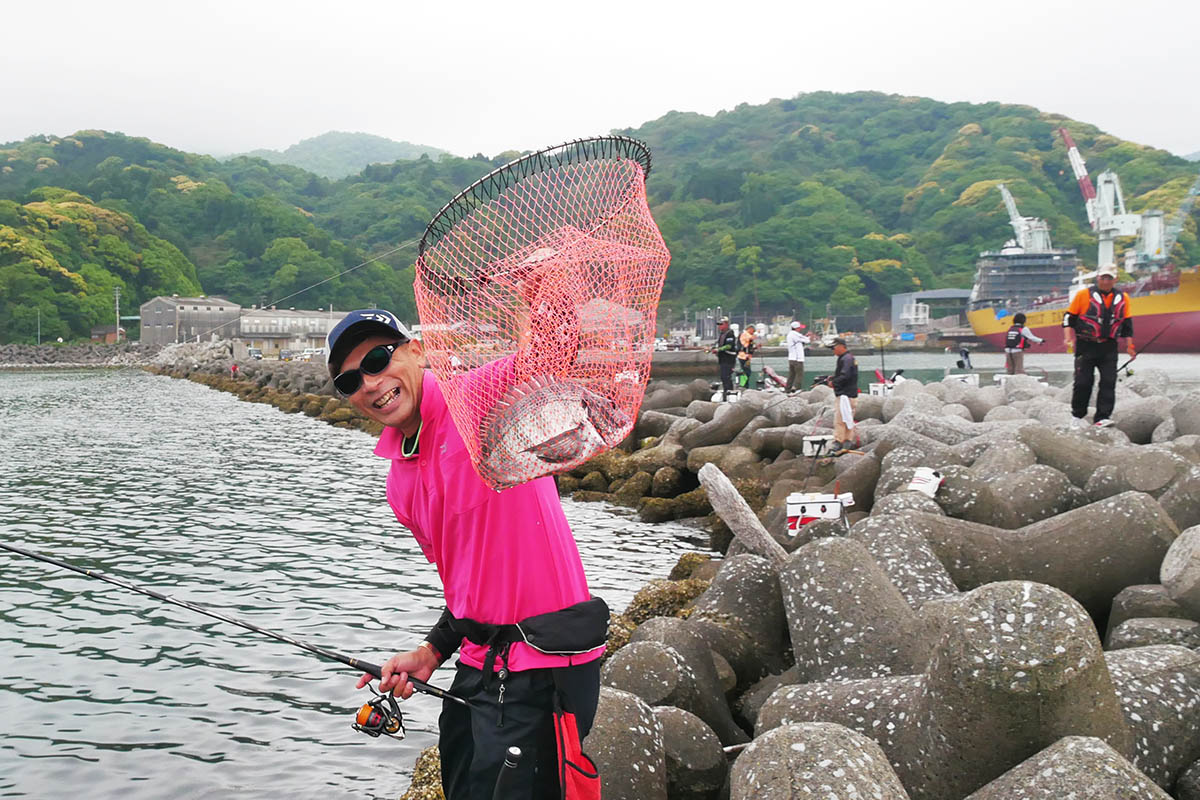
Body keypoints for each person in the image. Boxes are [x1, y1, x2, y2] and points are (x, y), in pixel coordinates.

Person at [327, 309, 606, 800]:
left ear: (416, 351)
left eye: (377, 359)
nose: (369, 383)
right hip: (479, 664)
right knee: (459, 780)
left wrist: (537, 290)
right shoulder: (398, 482)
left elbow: (552, 353)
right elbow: (464, 583)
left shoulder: (475, 398)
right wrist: (432, 651)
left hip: (544, 663)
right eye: (351, 380)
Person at [1063, 264, 1135, 427]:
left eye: (1109, 278)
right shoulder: (1083, 295)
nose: (1106, 281)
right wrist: (1068, 338)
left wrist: (1130, 347)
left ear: (1115, 279)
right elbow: (1068, 318)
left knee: (1109, 382)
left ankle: (1102, 417)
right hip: (1086, 346)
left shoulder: (1123, 297)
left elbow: (1127, 324)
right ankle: (1077, 416)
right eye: (1103, 278)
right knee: (1083, 382)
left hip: (1109, 347)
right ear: (1098, 278)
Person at [827, 337, 859, 453]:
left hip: (845, 395)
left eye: (834, 348)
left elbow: (845, 376)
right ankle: (847, 441)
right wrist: (834, 378)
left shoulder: (846, 359)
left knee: (840, 420)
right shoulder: (848, 358)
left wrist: (833, 383)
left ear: (841, 346)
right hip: (851, 394)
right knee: (848, 418)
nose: (833, 350)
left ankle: (838, 441)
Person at [710, 317, 738, 400]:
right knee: (723, 376)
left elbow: (729, 346)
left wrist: (718, 350)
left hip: (729, 359)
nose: (719, 326)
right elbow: (719, 345)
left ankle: (730, 393)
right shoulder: (722, 334)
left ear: (726, 324)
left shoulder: (730, 334)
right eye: (718, 325)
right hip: (722, 359)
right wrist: (713, 349)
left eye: (721, 324)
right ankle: (726, 392)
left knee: (726, 376)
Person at [785, 321, 810, 393]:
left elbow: (801, 341)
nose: (800, 329)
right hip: (797, 359)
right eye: (799, 328)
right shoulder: (795, 334)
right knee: (799, 374)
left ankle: (788, 389)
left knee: (791, 375)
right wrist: (808, 337)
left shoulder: (790, 335)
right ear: (796, 328)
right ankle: (796, 388)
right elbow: (807, 341)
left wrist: (805, 336)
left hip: (791, 358)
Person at [737, 324, 757, 389]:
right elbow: (751, 338)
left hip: (747, 357)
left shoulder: (748, 336)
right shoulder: (744, 334)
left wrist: (756, 347)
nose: (753, 332)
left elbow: (750, 346)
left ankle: (745, 385)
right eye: (753, 331)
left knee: (747, 372)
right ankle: (743, 385)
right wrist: (757, 333)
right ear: (749, 329)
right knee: (746, 371)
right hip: (743, 356)